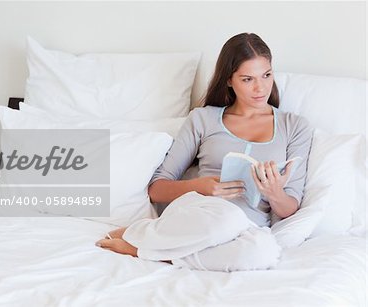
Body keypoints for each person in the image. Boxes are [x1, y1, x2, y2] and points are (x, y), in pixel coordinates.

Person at [95, 33, 313, 271]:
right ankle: (147, 235)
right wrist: (199, 186)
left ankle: (143, 247)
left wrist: (274, 192)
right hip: (201, 212)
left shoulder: (294, 127)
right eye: (248, 79)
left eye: (267, 75)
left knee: (265, 253)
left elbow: (290, 208)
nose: (260, 88)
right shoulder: (203, 118)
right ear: (229, 80)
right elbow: (157, 189)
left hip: (249, 228)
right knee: (226, 219)